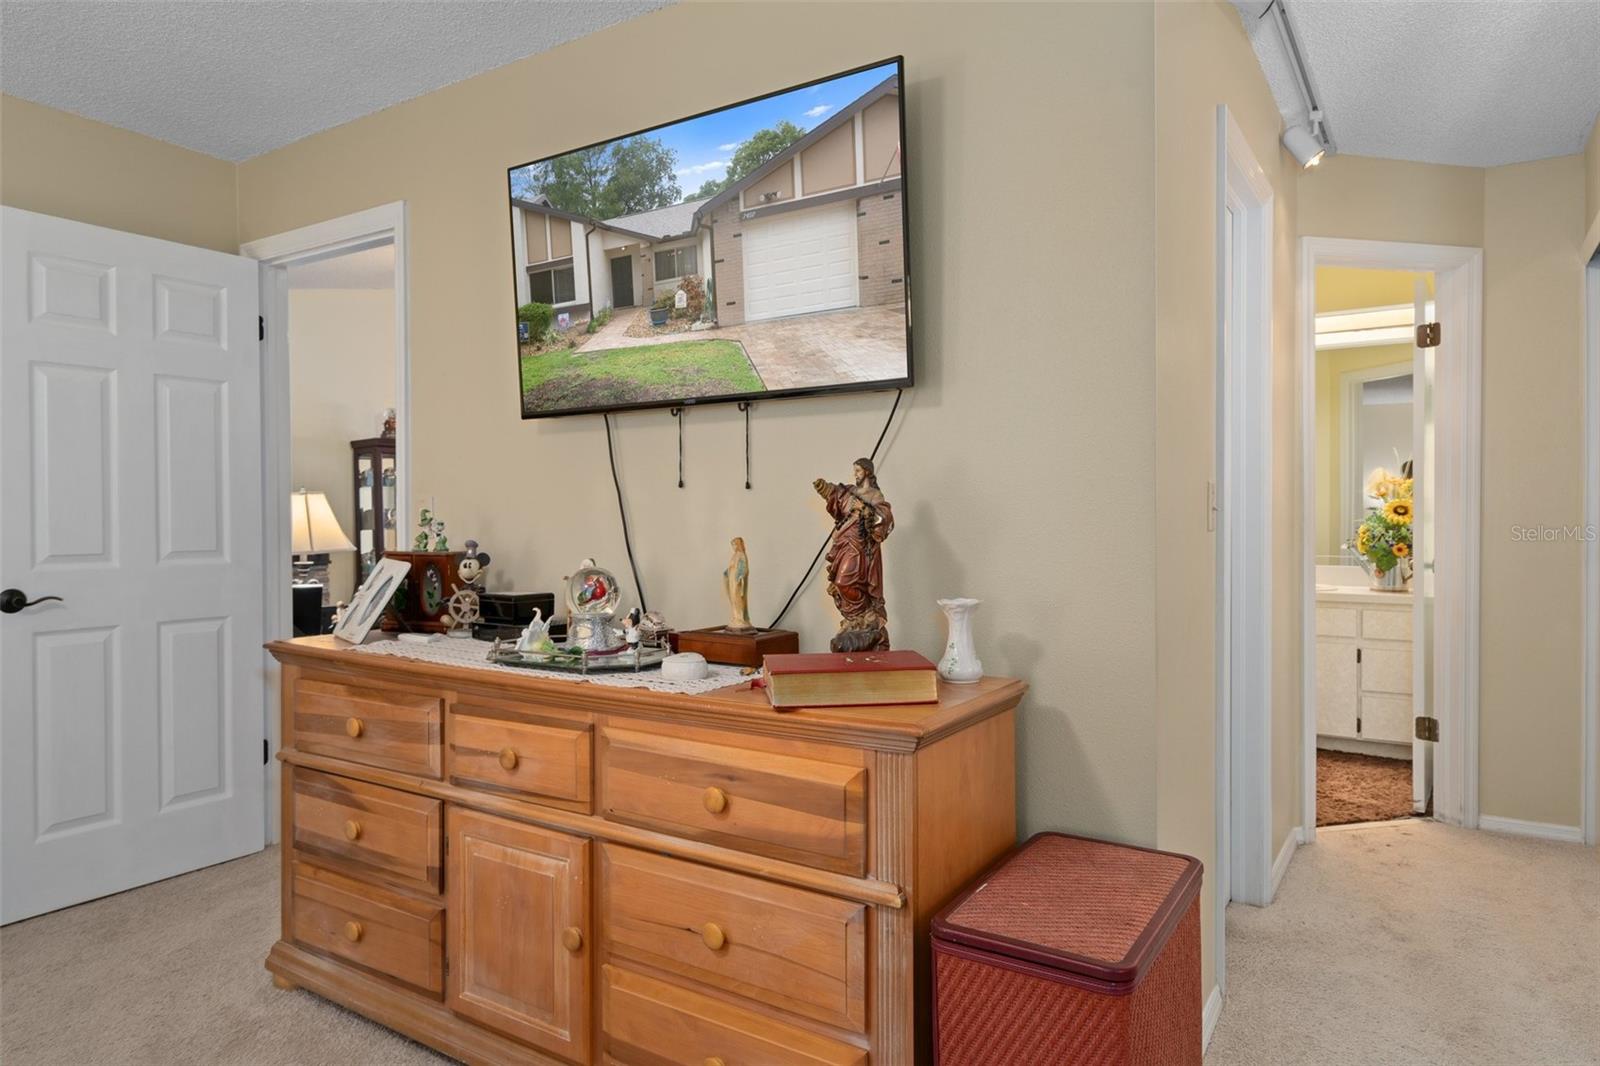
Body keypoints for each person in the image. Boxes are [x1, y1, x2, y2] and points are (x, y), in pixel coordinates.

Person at [812, 458, 894, 651]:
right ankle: (854, 619)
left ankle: (864, 614)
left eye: (858, 471)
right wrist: (825, 488)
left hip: (861, 546)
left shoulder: (875, 495)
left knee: (845, 582)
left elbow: (884, 518)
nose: (855, 474)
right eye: (854, 471)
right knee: (840, 584)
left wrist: (865, 509)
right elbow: (837, 497)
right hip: (844, 542)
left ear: (867, 472)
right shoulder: (851, 492)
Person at [723, 537, 754, 633]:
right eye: (732, 545)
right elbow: (731, 567)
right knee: (733, 598)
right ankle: (735, 617)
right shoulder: (735, 555)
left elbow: (744, 568)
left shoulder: (742, 555)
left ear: (738, 545)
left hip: (737, 581)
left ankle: (741, 618)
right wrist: (726, 572)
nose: (733, 547)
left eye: (734, 545)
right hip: (732, 580)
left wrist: (740, 576)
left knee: (738, 598)